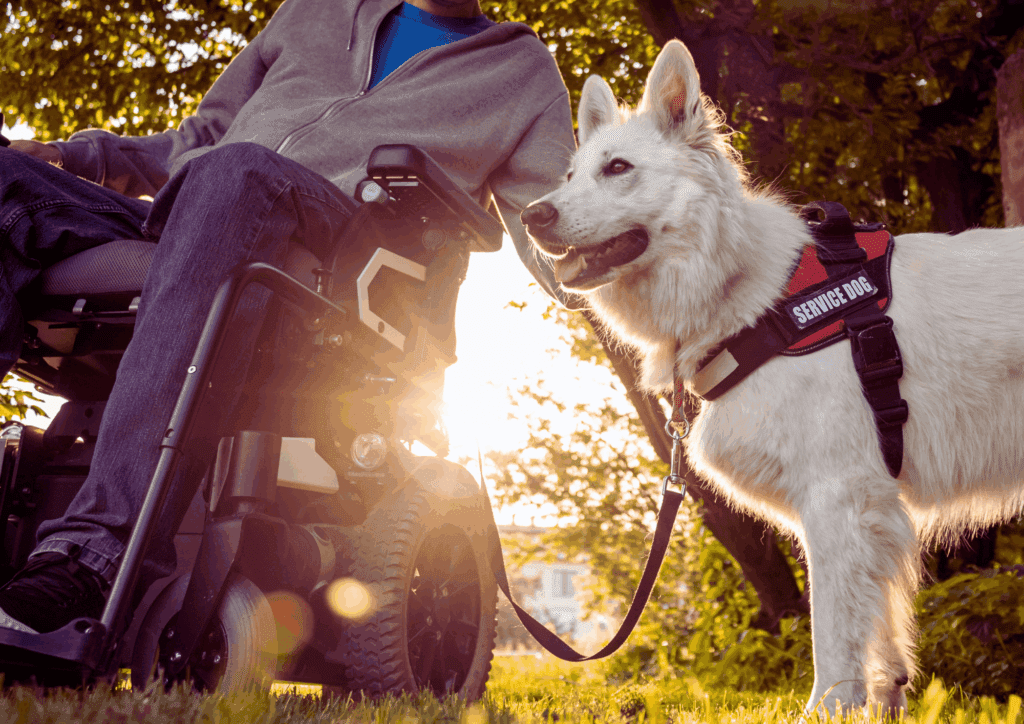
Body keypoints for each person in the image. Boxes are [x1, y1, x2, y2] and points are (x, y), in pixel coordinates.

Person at [0, 0, 575, 635]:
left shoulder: (522, 70)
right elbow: (201, 140)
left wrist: (639, 285)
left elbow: (561, 222)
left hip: (339, 258)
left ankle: (92, 556)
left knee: (238, 172)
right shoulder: (313, 10)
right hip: (194, 219)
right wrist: (74, 156)